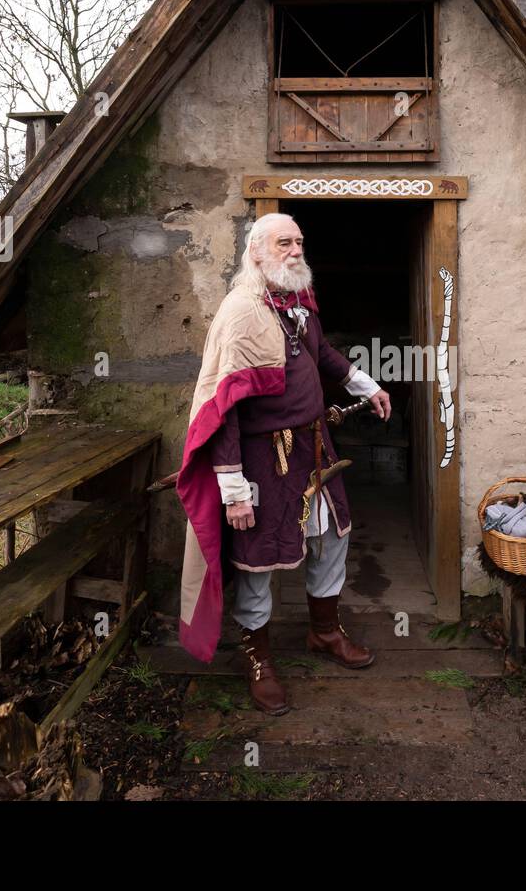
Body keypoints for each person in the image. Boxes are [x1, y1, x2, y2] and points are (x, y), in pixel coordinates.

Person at [175, 213, 390, 715]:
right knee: (257, 558)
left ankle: (322, 631)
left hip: (315, 448)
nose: (295, 251)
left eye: (298, 242)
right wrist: (233, 488)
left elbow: (323, 355)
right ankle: (259, 660)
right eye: (283, 244)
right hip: (261, 459)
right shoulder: (241, 313)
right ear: (256, 252)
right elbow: (221, 408)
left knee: (332, 536)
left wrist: (367, 385)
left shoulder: (298, 303)